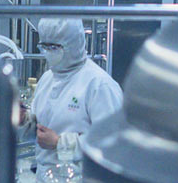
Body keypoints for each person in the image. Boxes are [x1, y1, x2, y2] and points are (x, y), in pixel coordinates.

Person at [31, 17, 123, 166]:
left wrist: (60, 143)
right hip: (44, 180)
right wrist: (24, 122)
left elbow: (113, 142)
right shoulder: (47, 78)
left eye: (53, 48)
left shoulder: (99, 85)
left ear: (73, 44)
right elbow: (39, 126)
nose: (48, 53)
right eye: (44, 47)